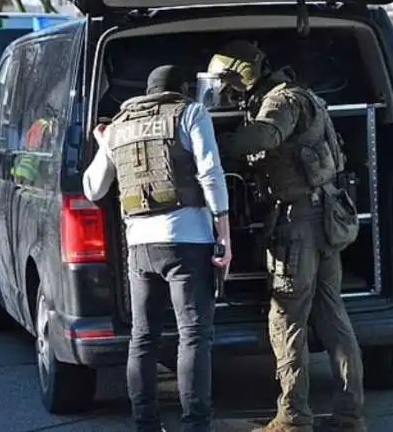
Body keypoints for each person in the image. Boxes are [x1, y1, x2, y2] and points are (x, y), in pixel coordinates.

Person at [208, 40, 365, 432]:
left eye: (228, 84)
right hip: (323, 219)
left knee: (287, 319)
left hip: (299, 225)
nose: (226, 93)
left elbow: (264, 138)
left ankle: (293, 417)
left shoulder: (280, 101)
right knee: (333, 318)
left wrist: (219, 144)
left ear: (240, 76)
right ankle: (350, 414)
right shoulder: (303, 95)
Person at [82, 65, 232, 432]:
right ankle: (196, 425)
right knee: (193, 335)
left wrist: (105, 146)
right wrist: (224, 232)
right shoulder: (190, 112)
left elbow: (93, 189)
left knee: (143, 337)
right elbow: (210, 173)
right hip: (187, 241)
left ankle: (145, 424)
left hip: (140, 247)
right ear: (180, 90)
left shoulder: (119, 125)